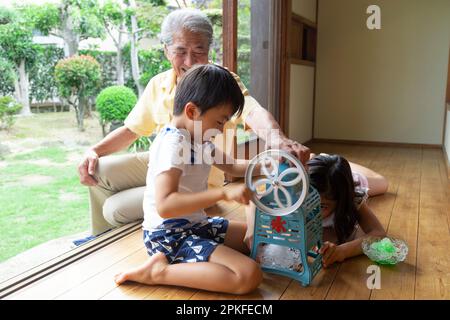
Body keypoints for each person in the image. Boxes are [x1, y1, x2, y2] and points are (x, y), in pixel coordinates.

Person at [77, 8, 310, 238]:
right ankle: (98, 234)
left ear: (209, 51)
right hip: (164, 161)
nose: (190, 60)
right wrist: (94, 150)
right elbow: (131, 130)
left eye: (199, 50)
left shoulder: (220, 82)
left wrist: (277, 140)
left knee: (114, 208)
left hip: (195, 180)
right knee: (97, 167)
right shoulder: (158, 84)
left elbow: (253, 112)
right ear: (166, 50)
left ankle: (137, 232)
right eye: (180, 51)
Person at [114, 64, 263, 294]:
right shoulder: (172, 145)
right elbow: (165, 206)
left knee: (255, 237)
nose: (222, 130)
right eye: (220, 121)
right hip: (167, 236)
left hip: (196, 225)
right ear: (192, 112)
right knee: (248, 275)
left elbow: (233, 166)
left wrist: (269, 163)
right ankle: (158, 272)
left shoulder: (199, 139)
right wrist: (223, 193)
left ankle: (186, 262)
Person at [307, 153, 388, 268]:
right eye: (307, 201)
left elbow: (379, 234)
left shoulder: (352, 199)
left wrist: (343, 251)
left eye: (321, 206)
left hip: (352, 180)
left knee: (383, 183)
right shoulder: (296, 191)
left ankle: (339, 164)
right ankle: (324, 159)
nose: (311, 210)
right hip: (329, 176)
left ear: (341, 202)